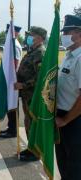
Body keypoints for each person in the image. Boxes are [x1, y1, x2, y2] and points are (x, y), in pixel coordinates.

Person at [14, 26, 47, 161]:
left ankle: (36, 152)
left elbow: (41, 77)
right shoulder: (32, 51)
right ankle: (31, 147)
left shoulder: (40, 53)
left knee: (33, 123)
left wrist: (23, 84)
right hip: (27, 95)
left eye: (31, 35)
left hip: (34, 96)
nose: (28, 37)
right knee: (28, 122)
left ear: (39, 37)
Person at [55, 15, 81, 180]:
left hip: (75, 120)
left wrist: (66, 120)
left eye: (67, 31)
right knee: (63, 164)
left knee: (75, 167)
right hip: (62, 117)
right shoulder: (68, 56)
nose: (63, 35)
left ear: (79, 33)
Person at [0, 24, 23, 138]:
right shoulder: (10, 44)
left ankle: (13, 130)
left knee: (13, 105)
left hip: (13, 80)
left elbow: (15, 63)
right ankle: (10, 127)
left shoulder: (15, 45)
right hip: (8, 79)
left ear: (16, 33)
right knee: (9, 105)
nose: (7, 34)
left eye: (9, 32)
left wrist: (9, 77)